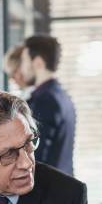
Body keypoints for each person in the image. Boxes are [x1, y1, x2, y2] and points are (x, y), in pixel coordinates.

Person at [20, 34, 76, 176]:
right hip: (62, 184)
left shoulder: (44, 100)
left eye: (24, 61)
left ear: (38, 62)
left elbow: (35, 155)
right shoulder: (63, 96)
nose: (22, 68)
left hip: (48, 189)